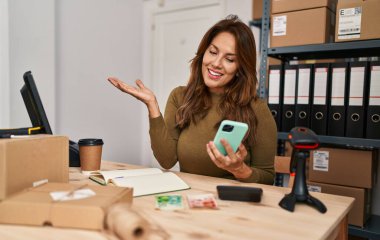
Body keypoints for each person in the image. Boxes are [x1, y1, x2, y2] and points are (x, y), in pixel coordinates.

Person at [108, 15, 277, 184]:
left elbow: (268, 178)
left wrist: (240, 170)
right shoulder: (180, 97)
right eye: (213, 52)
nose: (216, 63)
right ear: (203, 53)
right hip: (190, 198)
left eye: (230, 59)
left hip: (232, 201)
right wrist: (152, 106)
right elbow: (167, 161)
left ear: (240, 68)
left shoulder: (257, 109)